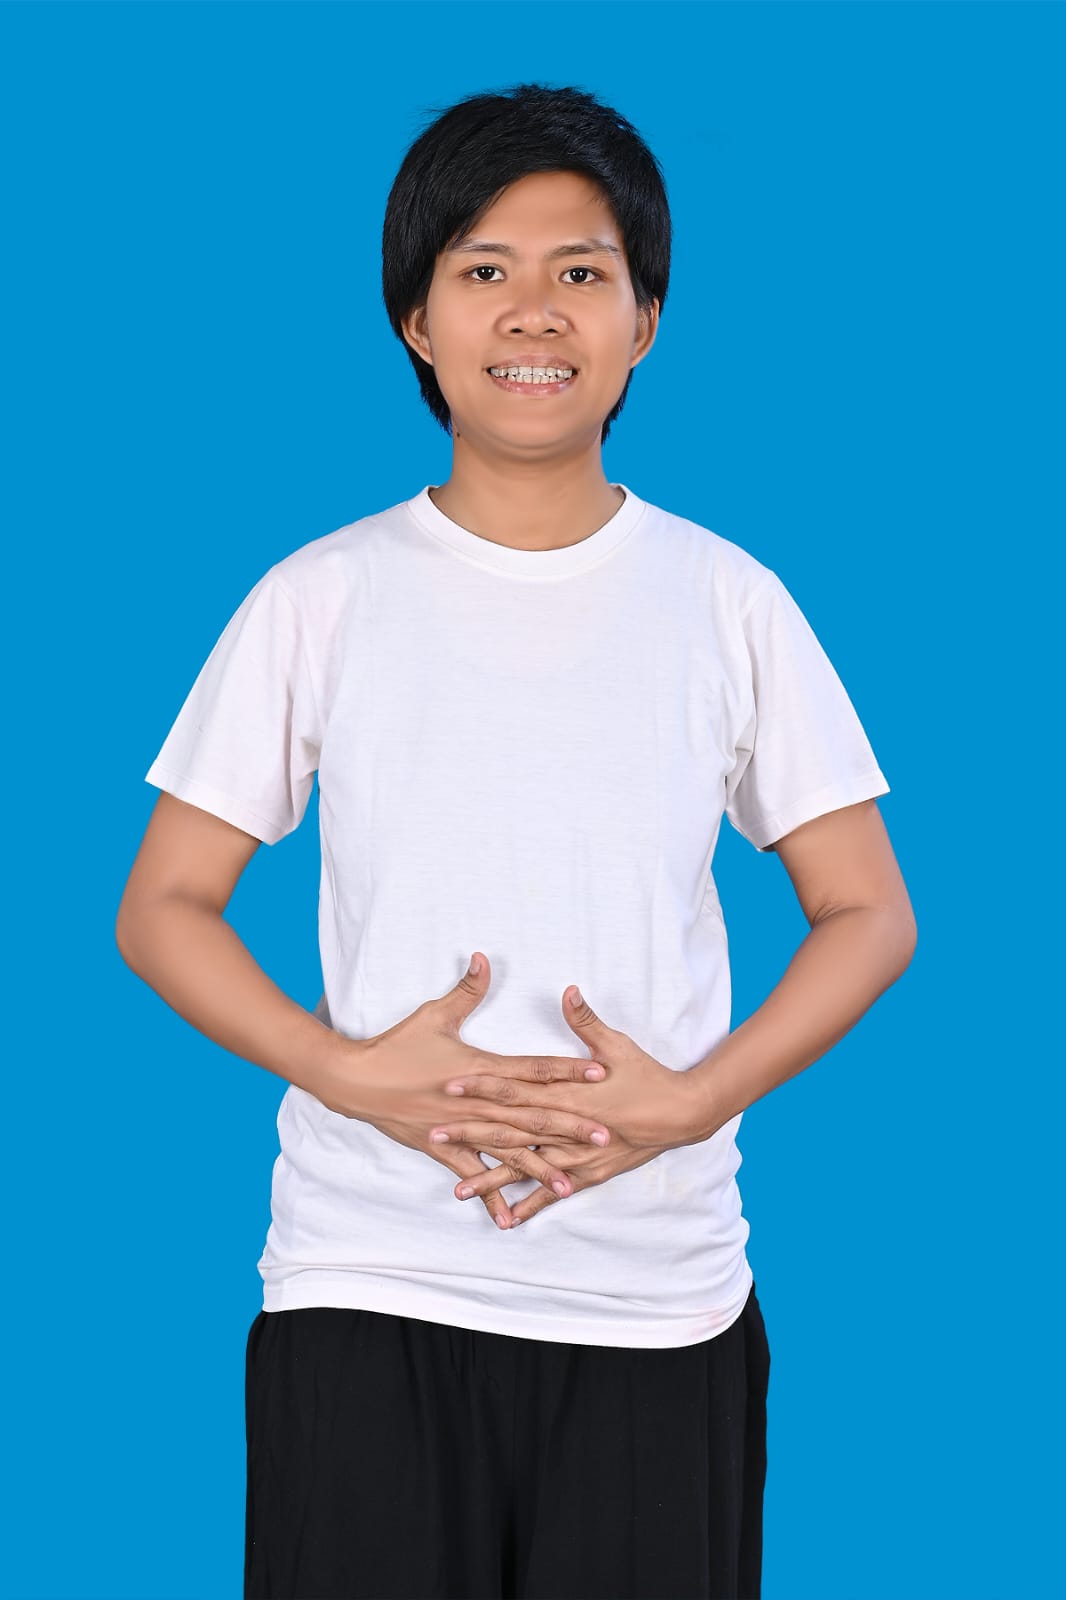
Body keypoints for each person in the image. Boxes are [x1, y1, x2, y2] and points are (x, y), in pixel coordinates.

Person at [116, 81, 917, 1600]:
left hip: (654, 1293)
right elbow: (163, 904)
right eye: (483, 269)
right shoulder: (321, 596)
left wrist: (693, 1102)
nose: (533, 312)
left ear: (644, 322)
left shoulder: (727, 600)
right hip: (368, 1276)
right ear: (416, 322)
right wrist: (345, 1071)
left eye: (580, 272)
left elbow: (869, 911)